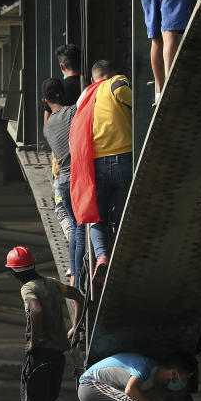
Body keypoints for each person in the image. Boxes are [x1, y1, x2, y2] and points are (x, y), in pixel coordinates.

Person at [6, 246, 82, 401]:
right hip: (57, 353)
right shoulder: (50, 282)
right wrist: (75, 327)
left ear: (15, 272)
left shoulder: (28, 288)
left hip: (40, 355)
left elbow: (36, 310)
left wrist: (35, 340)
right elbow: (79, 296)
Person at [69, 60, 133, 297]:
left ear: (94, 78)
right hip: (123, 159)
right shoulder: (116, 83)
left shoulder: (85, 96)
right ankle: (121, 252)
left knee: (97, 217)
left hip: (95, 165)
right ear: (110, 74)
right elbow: (131, 98)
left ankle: (102, 257)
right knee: (124, 212)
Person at [42, 78, 84, 285]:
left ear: (44, 100)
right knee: (86, 224)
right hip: (80, 178)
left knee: (75, 226)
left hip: (64, 182)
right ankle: (87, 265)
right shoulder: (74, 111)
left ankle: (75, 273)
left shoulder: (47, 127)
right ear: (64, 94)